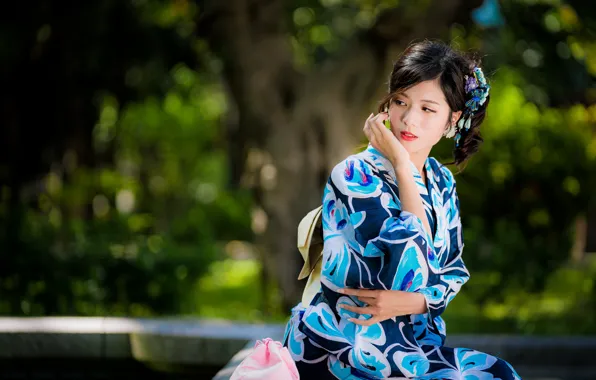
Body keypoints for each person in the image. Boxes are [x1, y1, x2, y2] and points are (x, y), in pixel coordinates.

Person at [282, 40, 521, 379]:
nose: (409, 119)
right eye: (400, 102)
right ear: (386, 107)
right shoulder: (354, 175)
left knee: (499, 373)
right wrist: (399, 162)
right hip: (345, 345)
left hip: (412, 342)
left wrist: (415, 304)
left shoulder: (441, 181)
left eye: (428, 109)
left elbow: (452, 273)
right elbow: (412, 272)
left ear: (452, 120)